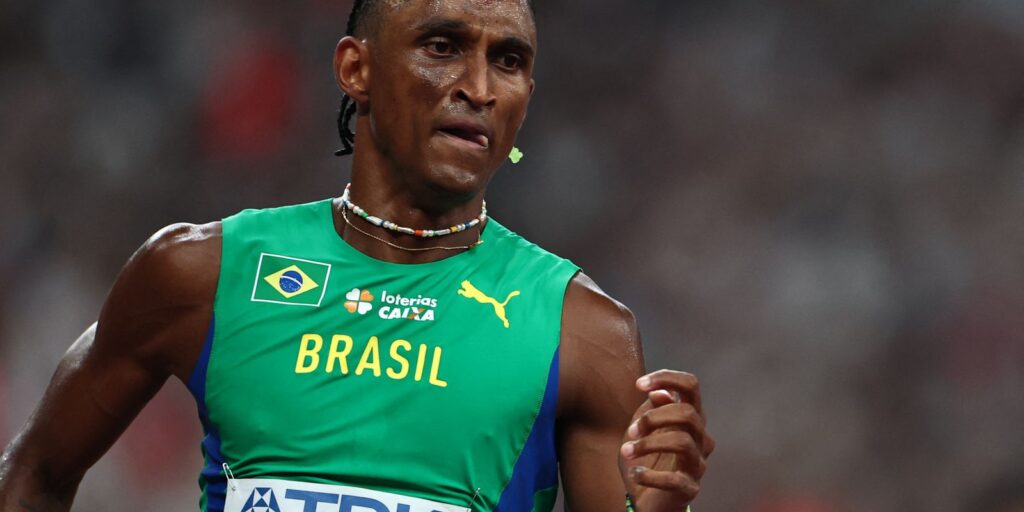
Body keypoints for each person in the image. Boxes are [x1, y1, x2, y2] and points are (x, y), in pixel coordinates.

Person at [0, 1, 714, 511]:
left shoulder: (582, 331)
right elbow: (32, 476)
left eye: (509, 61)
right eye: (442, 46)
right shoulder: (202, 272)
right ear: (356, 68)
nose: (480, 88)